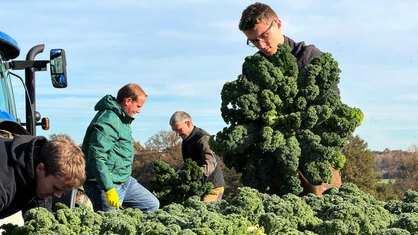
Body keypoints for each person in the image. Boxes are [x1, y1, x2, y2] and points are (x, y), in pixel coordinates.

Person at [239, 2, 342, 196]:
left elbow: (331, 107)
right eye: (253, 41)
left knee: (318, 214)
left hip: (312, 160)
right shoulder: (253, 67)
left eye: (264, 36)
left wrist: (297, 125)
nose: (261, 45)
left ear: (278, 24)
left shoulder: (310, 58)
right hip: (272, 162)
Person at [82, 83, 159, 212]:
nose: (139, 111)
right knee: (109, 226)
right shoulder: (107, 120)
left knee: (151, 205)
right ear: (128, 101)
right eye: (138, 106)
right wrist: (108, 189)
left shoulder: (122, 119)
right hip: (105, 185)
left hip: (124, 181)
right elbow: (97, 157)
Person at [0, 136, 85, 219]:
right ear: (40, 168)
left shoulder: (39, 177)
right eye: (56, 188)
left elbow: (41, 219)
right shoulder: (4, 183)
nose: (58, 195)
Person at [169, 111, 225, 201]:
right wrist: (179, 173)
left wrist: (194, 175)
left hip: (212, 187)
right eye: (175, 131)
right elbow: (189, 164)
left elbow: (210, 162)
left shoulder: (203, 139)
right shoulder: (186, 139)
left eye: (179, 129)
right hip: (198, 187)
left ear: (187, 123)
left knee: (205, 213)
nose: (177, 134)